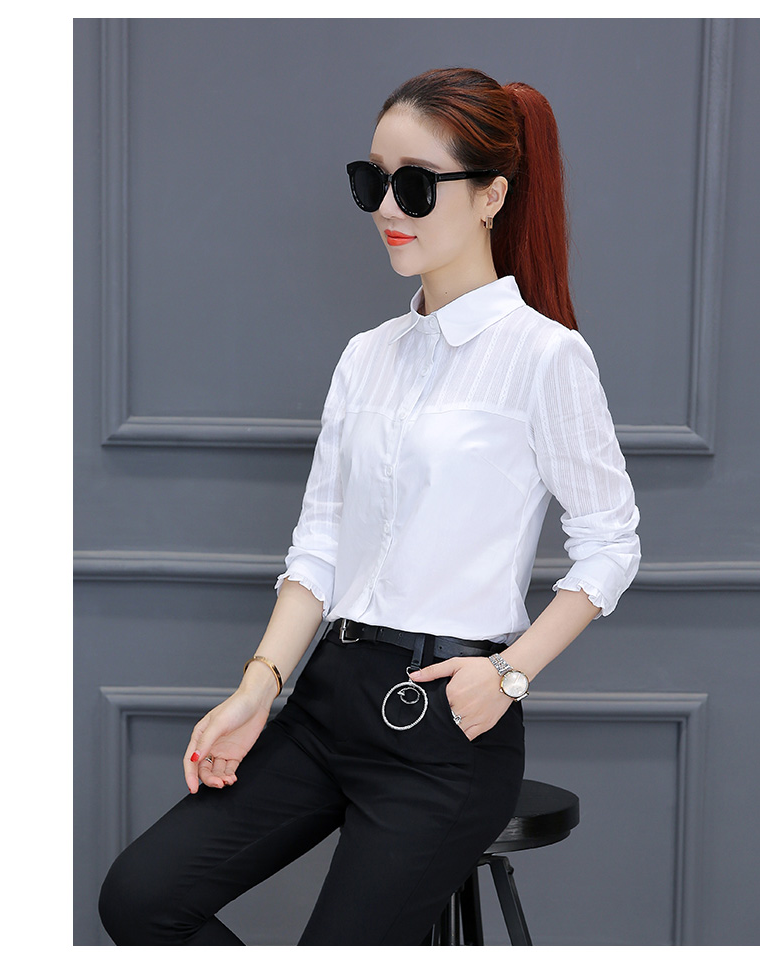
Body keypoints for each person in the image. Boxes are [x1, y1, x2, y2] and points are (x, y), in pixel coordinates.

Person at [98, 67, 640, 946]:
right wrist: (256, 689)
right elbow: (319, 544)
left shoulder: (545, 357)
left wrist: (509, 673)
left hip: (445, 724)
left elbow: (611, 543)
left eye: (416, 185)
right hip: (329, 698)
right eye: (373, 180)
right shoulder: (368, 355)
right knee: (139, 897)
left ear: (492, 195)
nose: (388, 206)